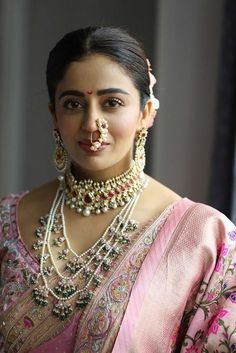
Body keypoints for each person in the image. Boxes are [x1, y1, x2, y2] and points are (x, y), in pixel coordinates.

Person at [0, 26, 236, 353]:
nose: (91, 124)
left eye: (111, 102)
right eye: (73, 104)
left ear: (145, 112)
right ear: (54, 114)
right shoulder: (7, 220)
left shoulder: (203, 238)